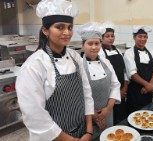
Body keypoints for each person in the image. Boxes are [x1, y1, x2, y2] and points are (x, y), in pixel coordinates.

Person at [16, 0, 94, 141]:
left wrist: (88, 130)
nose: (67, 32)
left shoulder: (75, 56)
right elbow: (35, 116)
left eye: (70, 27)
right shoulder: (34, 65)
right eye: (60, 27)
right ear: (45, 30)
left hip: (82, 132)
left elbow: (86, 93)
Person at [78, 22, 121, 138]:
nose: (94, 47)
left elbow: (115, 85)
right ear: (83, 45)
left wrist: (107, 109)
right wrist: (94, 116)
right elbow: (78, 94)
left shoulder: (106, 62)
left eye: (97, 43)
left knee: (109, 137)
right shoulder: (78, 66)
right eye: (90, 43)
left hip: (108, 113)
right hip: (88, 116)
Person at [123, 26, 153, 114]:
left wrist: (150, 85)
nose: (142, 39)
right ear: (134, 37)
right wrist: (148, 85)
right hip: (135, 91)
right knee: (134, 115)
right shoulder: (129, 53)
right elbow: (132, 73)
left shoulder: (151, 52)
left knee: (147, 113)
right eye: (140, 36)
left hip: (148, 92)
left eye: (145, 37)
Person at [99, 21, 128, 124]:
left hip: (122, 89)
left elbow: (124, 71)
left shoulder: (118, 51)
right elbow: (104, 76)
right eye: (107, 36)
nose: (111, 38)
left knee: (121, 115)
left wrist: (124, 87)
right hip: (109, 92)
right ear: (101, 38)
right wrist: (116, 91)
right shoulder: (100, 53)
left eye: (112, 36)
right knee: (112, 117)